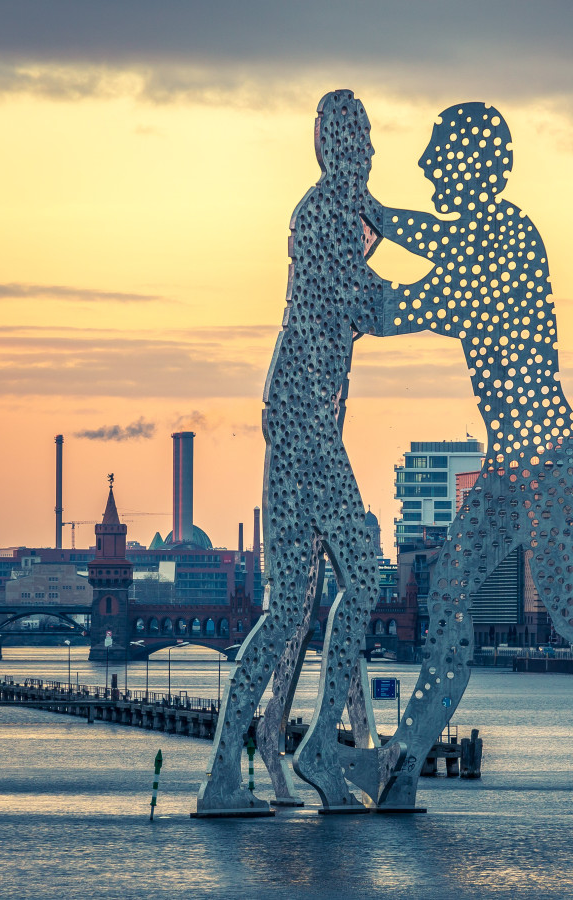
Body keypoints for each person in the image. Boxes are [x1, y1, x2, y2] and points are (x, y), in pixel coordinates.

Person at [347, 102, 573, 812]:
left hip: (545, 463)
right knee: (448, 598)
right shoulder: (486, 236)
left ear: (475, 164)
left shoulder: (504, 241)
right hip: (512, 466)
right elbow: (436, 238)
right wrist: (373, 215)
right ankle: (403, 765)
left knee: (568, 606)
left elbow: (396, 309)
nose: (425, 166)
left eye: (438, 153)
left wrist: (341, 255)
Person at [195, 89, 387, 816]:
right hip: (307, 427)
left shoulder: (332, 211)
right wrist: (455, 298)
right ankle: (314, 751)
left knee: (288, 612)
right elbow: (370, 303)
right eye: (356, 136)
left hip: (296, 422)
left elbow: (363, 275)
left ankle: (229, 773)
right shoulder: (328, 212)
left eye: (368, 135)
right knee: (363, 579)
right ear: (331, 144)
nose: (368, 147)